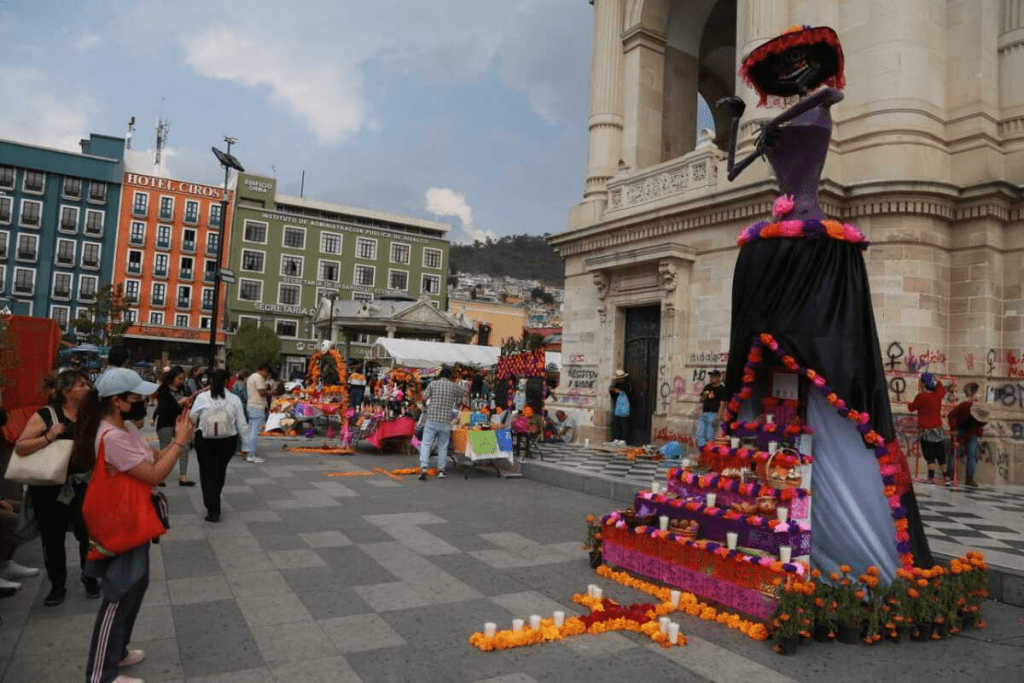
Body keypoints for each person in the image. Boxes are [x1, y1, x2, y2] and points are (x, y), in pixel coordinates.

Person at [79, 368, 192, 683]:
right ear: (117, 402)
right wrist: (180, 444)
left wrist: (174, 445)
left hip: (135, 519)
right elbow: (155, 475)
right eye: (137, 397)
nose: (143, 401)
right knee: (119, 594)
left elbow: (154, 458)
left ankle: (118, 651)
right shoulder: (112, 436)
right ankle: (101, 674)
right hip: (122, 523)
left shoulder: (126, 426)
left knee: (135, 586)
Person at [13, 369, 97, 606]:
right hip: (49, 487)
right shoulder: (47, 414)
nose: (87, 388)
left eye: (87, 384)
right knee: (52, 537)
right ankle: (57, 584)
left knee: (87, 533)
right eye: (82, 385)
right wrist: (49, 437)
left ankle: (89, 576)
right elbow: (21, 446)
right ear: (65, 391)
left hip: (81, 483)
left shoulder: (89, 414)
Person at [190, 369, 248, 523]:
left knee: (207, 473)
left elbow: (192, 417)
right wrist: (246, 446)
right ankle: (215, 497)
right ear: (227, 381)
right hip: (227, 441)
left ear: (209, 381)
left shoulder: (202, 397)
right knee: (219, 472)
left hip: (205, 440)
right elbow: (242, 423)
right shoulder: (234, 399)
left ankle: (213, 508)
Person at [417, 366, 467, 480]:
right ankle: (441, 470)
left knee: (426, 443)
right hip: (445, 421)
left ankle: (424, 467)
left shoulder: (433, 384)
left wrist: (426, 407)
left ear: (440, 375)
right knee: (442, 446)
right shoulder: (453, 386)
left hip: (432, 419)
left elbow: (424, 398)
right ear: (449, 376)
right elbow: (464, 392)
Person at [153, 366, 196, 486]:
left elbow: (187, 402)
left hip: (180, 422)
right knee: (165, 448)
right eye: (179, 378)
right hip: (166, 422)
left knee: (184, 448)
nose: (181, 381)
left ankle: (183, 475)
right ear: (172, 377)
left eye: (182, 379)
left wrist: (188, 402)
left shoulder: (182, 389)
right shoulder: (163, 390)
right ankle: (159, 476)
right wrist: (180, 403)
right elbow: (164, 409)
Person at [907, 372, 948, 484]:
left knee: (929, 454)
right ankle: (946, 477)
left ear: (923, 383)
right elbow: (941, 388)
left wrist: (908, 404)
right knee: (940, 453)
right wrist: (937, 380)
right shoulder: (938, 395)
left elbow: (912, 408)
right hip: (937, 428)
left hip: (925, 429)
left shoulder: (921, 396)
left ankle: (931, 478)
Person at [948, 382, 988, 487]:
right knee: (955, 453)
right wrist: (953, 429)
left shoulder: (981, 414)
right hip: (961, 429)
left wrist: (961, 438)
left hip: (971, 433)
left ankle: (968, 478)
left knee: (969, 454)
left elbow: (975, 430)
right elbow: (951, 415)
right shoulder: (964, 406)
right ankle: (953, 476)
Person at [243, 364, 273, 463]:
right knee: (254, 431)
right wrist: (273, 392)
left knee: (251, 430)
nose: (267, 375)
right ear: (263, 370)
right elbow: (262, 392)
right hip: (256, 406)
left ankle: (249, 452)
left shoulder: (252, 376)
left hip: (251, 405)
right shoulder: (258, 377)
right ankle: (252, 454)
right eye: (267, 373)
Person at [695, 370, 727, 450]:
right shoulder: (707, 387)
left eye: (713, 377)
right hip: (704, 413)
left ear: (718, 378)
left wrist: (718, 417)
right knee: (700, 435)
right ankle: (702, 452)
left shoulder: (722, 389)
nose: (711, 378)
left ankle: (708, 453)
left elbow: (722, 404)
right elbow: (701, 400)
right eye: (710, 377)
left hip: (713, 414)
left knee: (709, 437)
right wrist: (704, 396)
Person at [608, 369, 632, 446]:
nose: (620, 380)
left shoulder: (627, 385)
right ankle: (616, 438)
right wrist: (612, 390)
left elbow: (629, 394)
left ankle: (623, 439)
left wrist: (619, 391)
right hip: (617, 407)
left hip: (624, 407)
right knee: (615, 422)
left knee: (623, 423)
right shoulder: (616, 384)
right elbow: (612, 395)